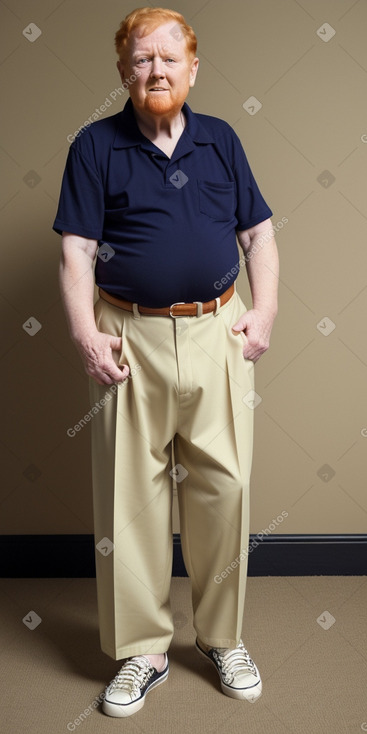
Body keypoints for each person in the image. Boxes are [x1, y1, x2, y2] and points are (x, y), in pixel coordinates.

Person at [54, 6, 279, 718]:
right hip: (128, 335)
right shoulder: (95, 145)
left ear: (192, 67)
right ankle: (142, 650)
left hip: (216, 334)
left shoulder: (220, 141)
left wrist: (263, 310)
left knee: (226, 488)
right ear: (123, 72)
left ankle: (221, 637)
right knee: (131, 500)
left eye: (168, 58)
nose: (155, 70)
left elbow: (259, 235)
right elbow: (76, 253)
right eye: (140, 59)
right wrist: (85, 335)